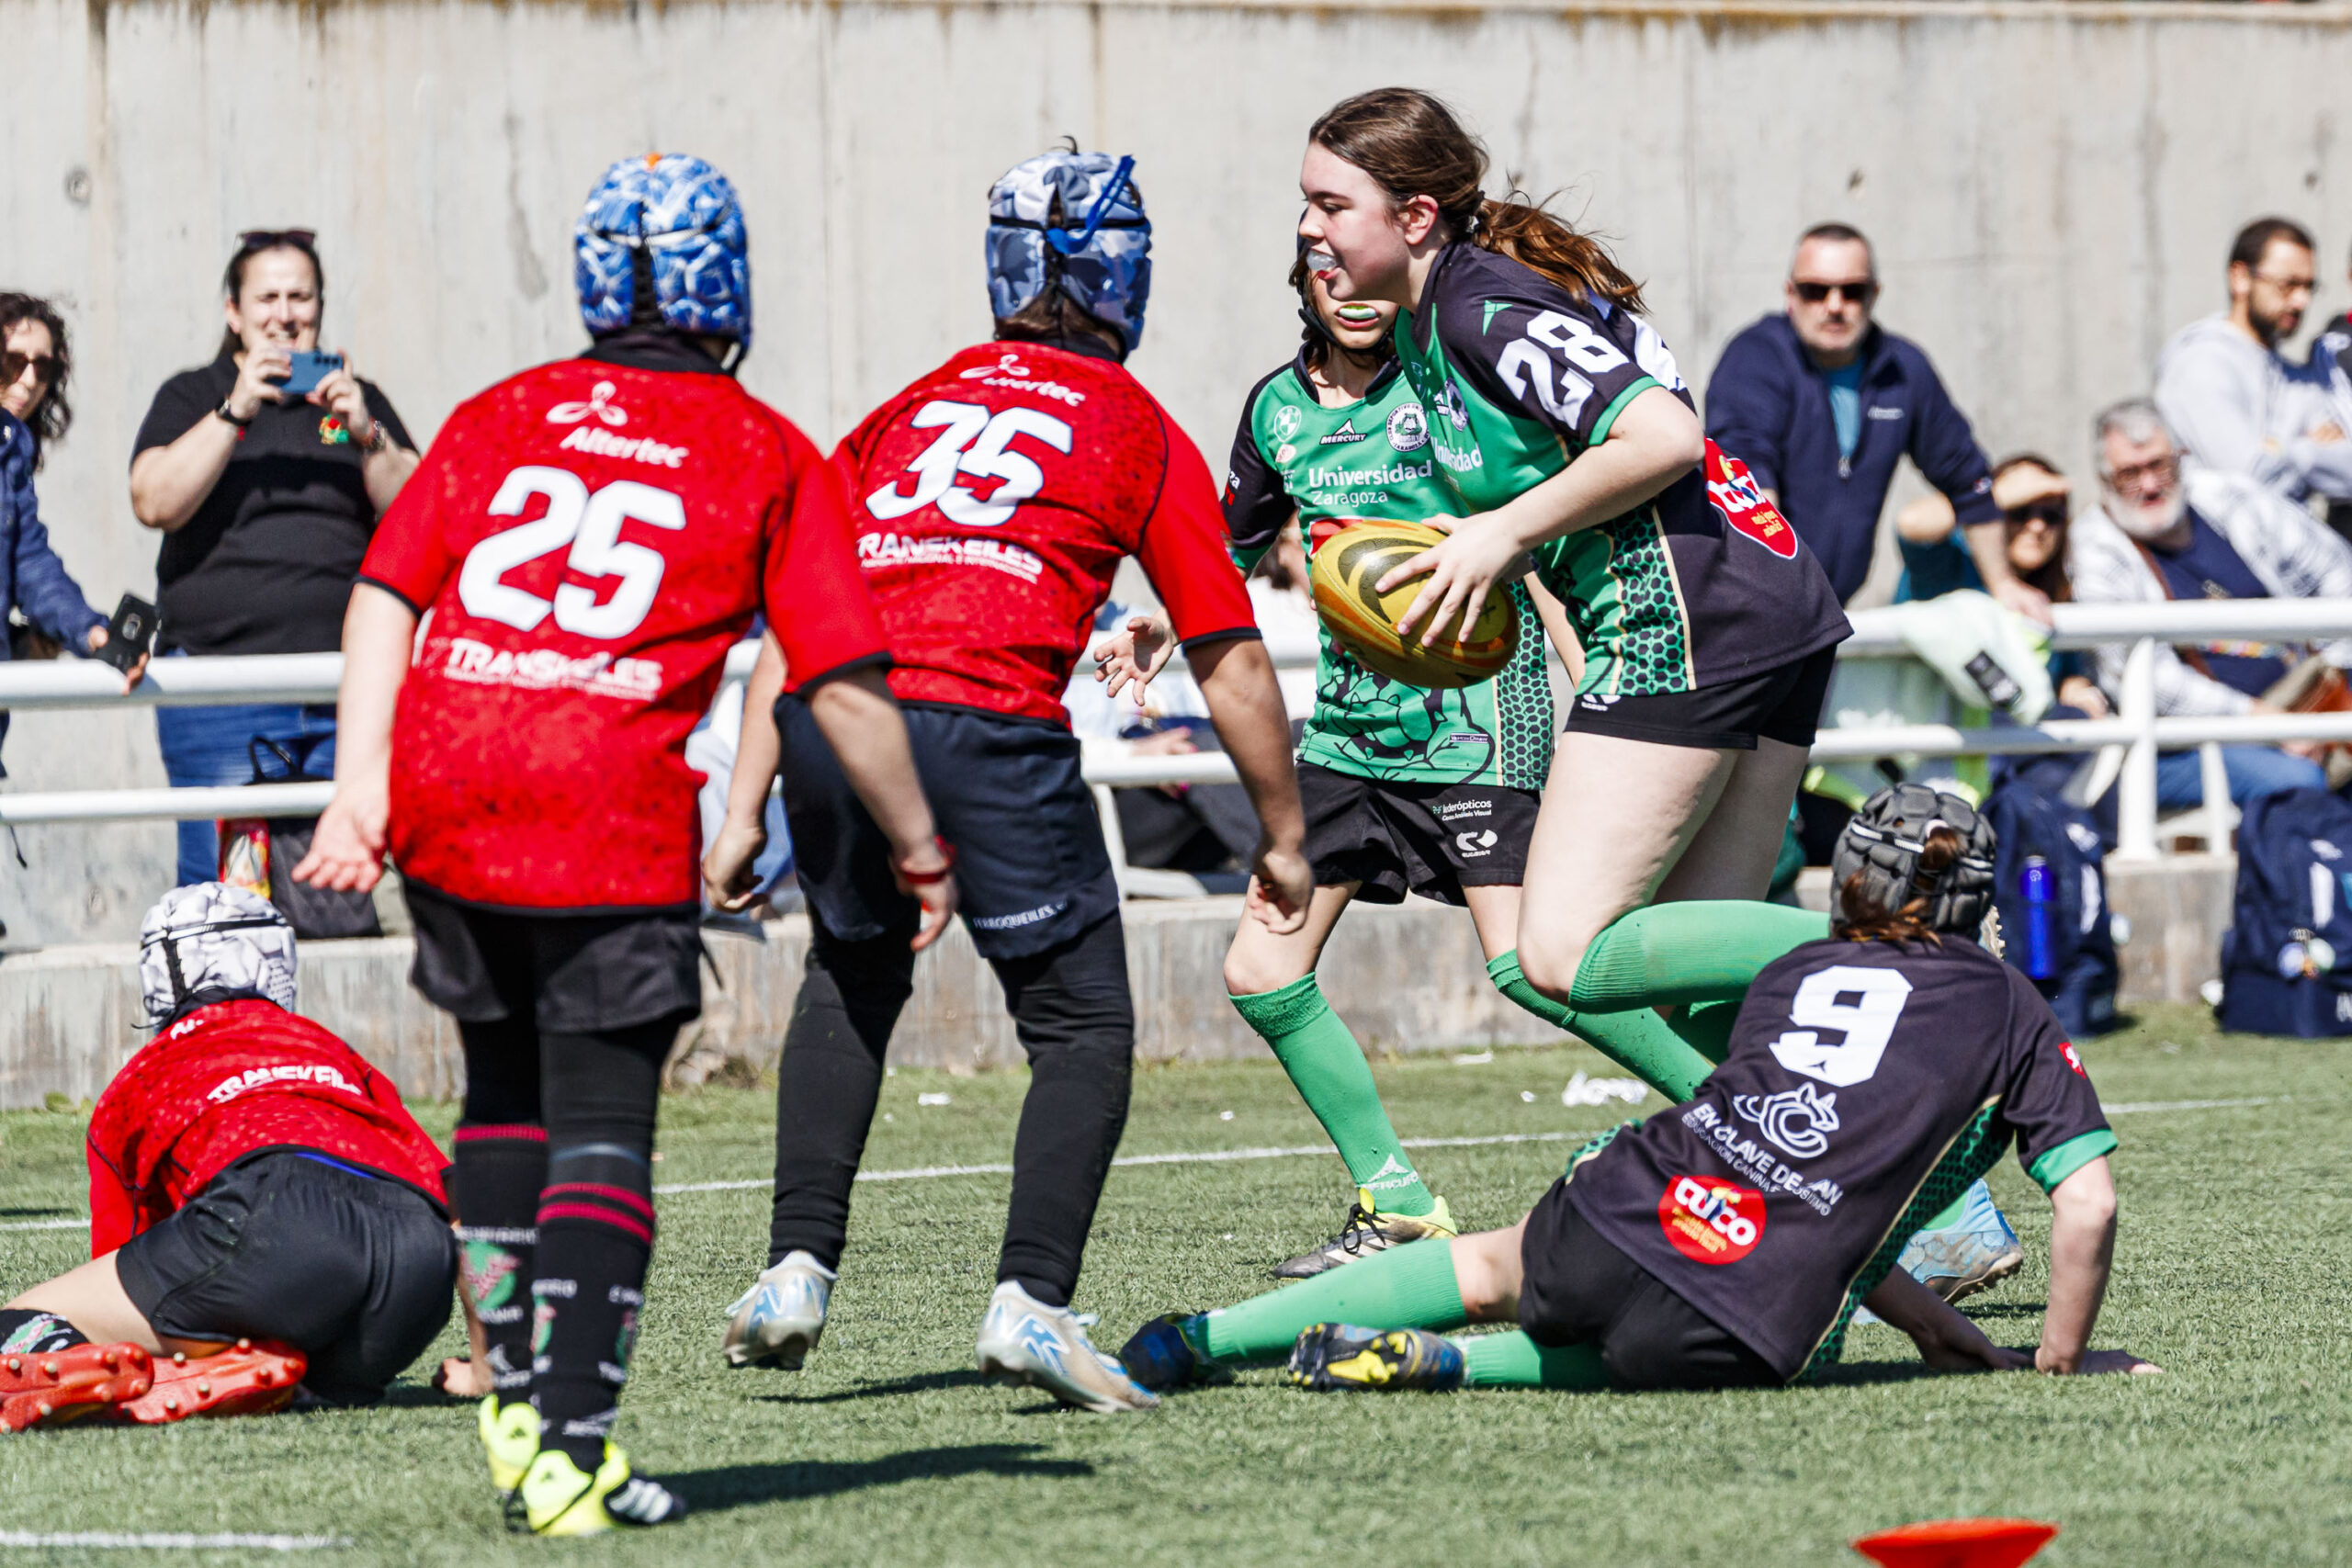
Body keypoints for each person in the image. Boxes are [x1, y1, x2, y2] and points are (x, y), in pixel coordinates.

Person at [294, 153, 948, 1535]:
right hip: (600, 803)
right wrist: (919, 842)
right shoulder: (766, 446)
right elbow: (838, 683)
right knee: (601, 1129)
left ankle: (518, 1403)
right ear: (728, 284)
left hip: (446, 787)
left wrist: (357, 787)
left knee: (500, 1105)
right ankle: (572, 1447)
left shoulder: (497, 411)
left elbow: (383, 595)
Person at [704, 147, 1310, 1415]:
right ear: (1117, 271)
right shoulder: (1134, 424)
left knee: (855, 972)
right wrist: (1285, 831)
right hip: (979, 722)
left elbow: (793, 608)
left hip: (836, 716)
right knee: (1083, 1025)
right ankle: (1031, 1299)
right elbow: (1230, 653)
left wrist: (744, 795)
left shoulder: (904, 406)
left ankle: (793, 1271)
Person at [1119, 785, 2157, 1396]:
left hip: (1618, 1204)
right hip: (1741, 1303)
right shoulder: (2011, 1006)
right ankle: (1457, 1368)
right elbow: (2085, 1203)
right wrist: (2052, 1361)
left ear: (1848, 884)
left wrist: (1940, 1331)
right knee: (1729, 1327)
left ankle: (1200, 1337)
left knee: (1481, 1265)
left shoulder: (1796, 969)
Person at [1293, 87, 1849, 1111]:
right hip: (1765, 600)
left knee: (1556, 956)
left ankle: (1903, 945)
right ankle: (1922, 1212)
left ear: (1414, 217)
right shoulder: (1440, 320)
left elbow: (1663, 436)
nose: (1308, 226)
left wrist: (1502, 534)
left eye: (1332, 204)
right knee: (1699, 972)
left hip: (1683, 616)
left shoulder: (1477, 305)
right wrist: (1497, 551)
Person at [1094, 246, 1581, 1276]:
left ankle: (1775, 1147)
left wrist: (1595, 680)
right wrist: (1158, 627)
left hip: (1479, 719)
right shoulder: (1276, 409)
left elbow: (1546, 535)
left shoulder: (1455, 387)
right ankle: (1396, 1201)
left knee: (1538, 970)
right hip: (1350, 733)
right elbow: (1225, 549)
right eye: (1329, 277)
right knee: (1260, 967)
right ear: (1304, 288)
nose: (1352, 293)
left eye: (1366, 274)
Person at [0, 884, 455, 1430]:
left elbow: (124, 1257)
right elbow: (459, 1203)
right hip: (418, 1272)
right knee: (316, 1370)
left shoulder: (139, 1079)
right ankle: (284, 1377)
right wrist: (489, 1362)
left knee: (22, 1322)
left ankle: (179, 1366)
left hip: (274, 1223)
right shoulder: (330, 1048)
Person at [128, 231, 420, 887]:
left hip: (344, 696)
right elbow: (153, 500)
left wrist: (366, 432)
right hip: (221, 692)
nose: (285, 314)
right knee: (226, 912)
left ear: (319, 307)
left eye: (301, 297)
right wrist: (236, 409)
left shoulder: (357, 399)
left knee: (340, 901)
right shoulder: (192, 392)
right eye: (268, 298)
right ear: (234, 311)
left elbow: (420, 510)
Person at [1704, 224, 2040, 618]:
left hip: (1828, 612)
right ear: (1790, 294)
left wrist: (2003, 585)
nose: (1834, 305)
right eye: (1816, 290)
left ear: (1874, 294)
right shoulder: (1756, 358)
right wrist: (1774, 598)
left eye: (1852, 291)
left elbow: (1969, 482)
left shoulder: (1902, 370)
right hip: (1752, 605)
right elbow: (1745, 482)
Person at [2071, 398, 2352, 812]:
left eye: (2159, 465)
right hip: (2190, 740)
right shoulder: (2097, 549)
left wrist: (2338, 676)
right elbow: (2152, 685)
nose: (2149, 486)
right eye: (2130, 474)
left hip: (2315, 690)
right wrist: (2269, 725)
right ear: (2104, 480)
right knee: (2299, 780)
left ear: (2180, 460)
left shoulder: (2229, 496)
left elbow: (2334, 571)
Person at [0, 292, 147, 765]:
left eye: (42, 367)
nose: (27, 380)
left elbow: (29, 564)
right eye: (12, 361)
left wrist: (89, 633)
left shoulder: (11, 454)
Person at [2154, 218, 2352, 518]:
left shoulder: (2296, 377)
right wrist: (2311, 450)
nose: (2301, 300)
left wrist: (2284, 451)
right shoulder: (2200, 364)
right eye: (2288, 285)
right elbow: (2247, 481)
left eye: (2309, 287)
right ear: (2240, 278)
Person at [1894, 453, 2110, 716]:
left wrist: (2077, 691)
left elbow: (2067, 673)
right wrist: (1991, 498)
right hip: (1928, 739)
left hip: (2008, 743)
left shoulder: (2055, 590)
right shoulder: (1950, 561)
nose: (2037, 526)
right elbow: (1911, 523)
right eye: (2019, 511)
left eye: (2051, 515)